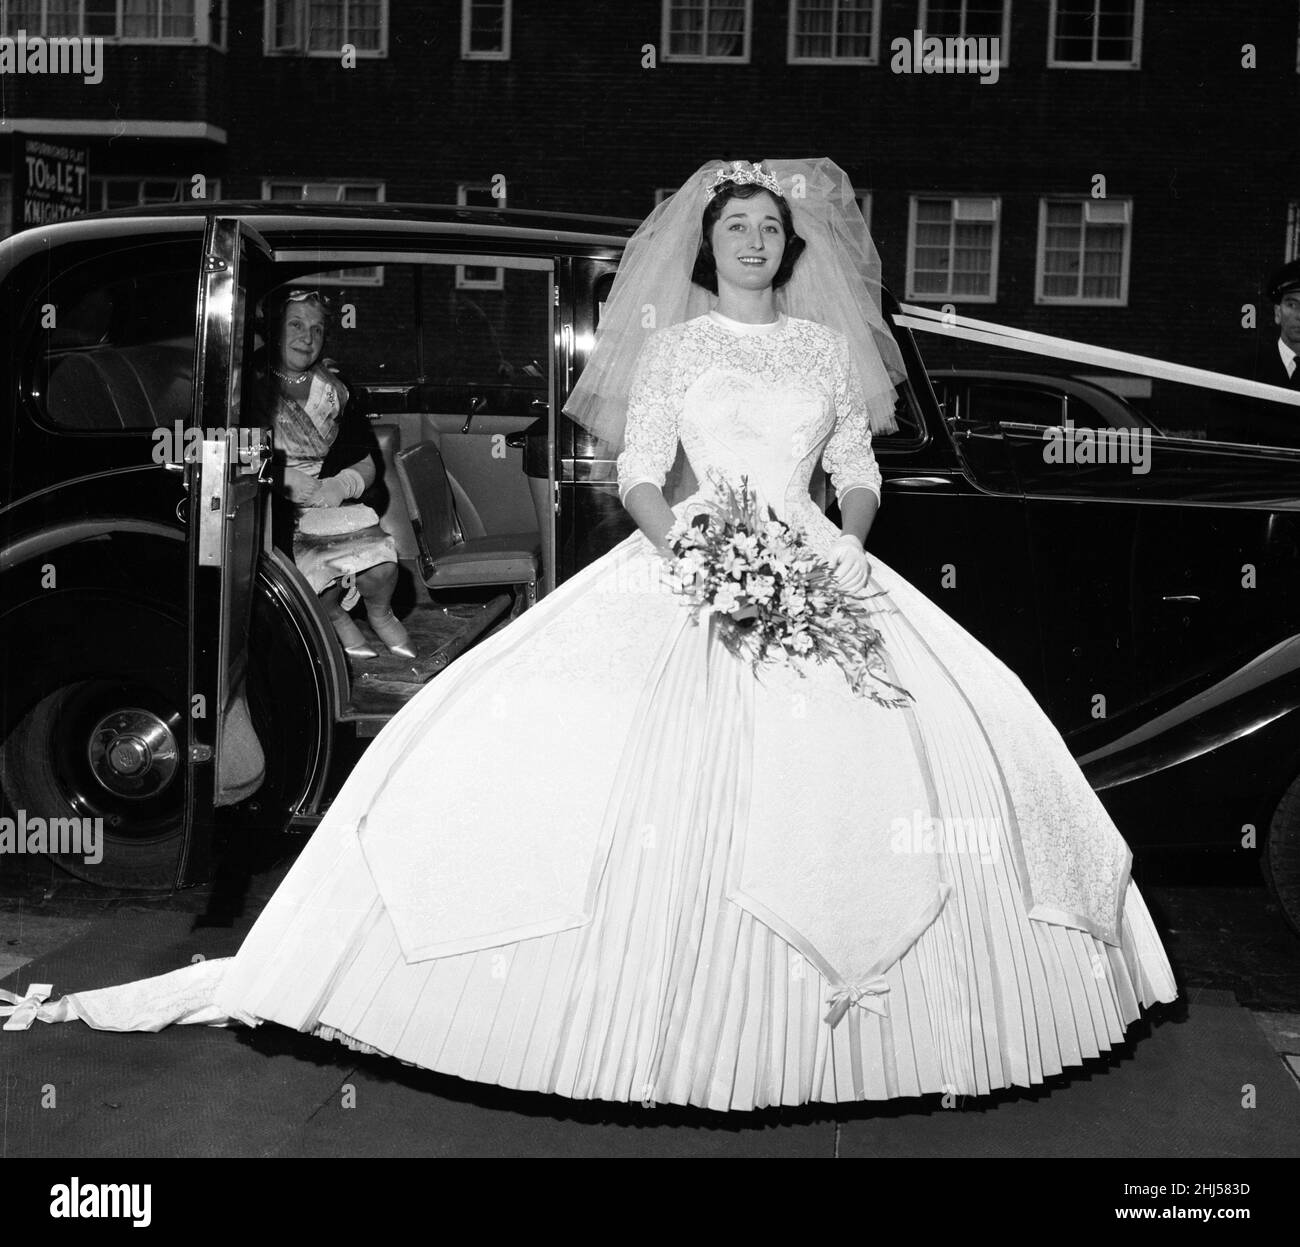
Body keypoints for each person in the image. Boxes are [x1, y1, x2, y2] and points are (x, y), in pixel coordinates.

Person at [4, 160, 1176, 1110]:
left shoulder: (824, 353)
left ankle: (871, 1016)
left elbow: (858, 468)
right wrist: (702, 553)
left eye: (770, 227)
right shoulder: (672, 348)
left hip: (821, 559)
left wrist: (845, 542)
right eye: (737, 226)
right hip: (694, 554)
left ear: (792, 243)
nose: (754, 242)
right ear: (709, 242)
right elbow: (636, 474)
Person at [260, 288, 414, 659]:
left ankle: (379, 613)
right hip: (270, 515)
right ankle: (335, 618)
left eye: (316, 329)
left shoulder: (336, 391)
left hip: (329, 506)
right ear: (274, 330)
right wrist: (280, 479)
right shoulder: (247, 384)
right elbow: (225, 452)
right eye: (295, 324)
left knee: (383, 567)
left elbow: (366, 459)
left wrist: (339, 484)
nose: (306, 337)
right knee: (319, 580)